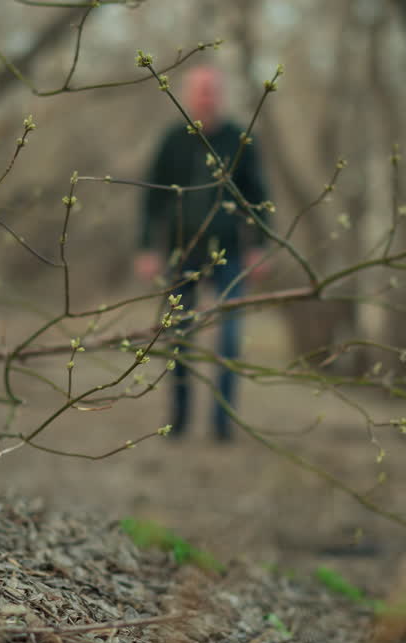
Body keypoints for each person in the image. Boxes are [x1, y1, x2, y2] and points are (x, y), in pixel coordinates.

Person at [134, 64, 271, 443]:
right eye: (199, 90)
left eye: (211, 90)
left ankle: (222, 425)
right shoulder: (172, 140)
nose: (205, 97)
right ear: (187, 95)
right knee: (178, 337)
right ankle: (178, 421)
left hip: (228, 255)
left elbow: (259, 198)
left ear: (220, 95)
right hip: (183, 253)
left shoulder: (239, 140)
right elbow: (151, 198)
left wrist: (260, 245)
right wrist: (147, 247)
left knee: (229, 339)